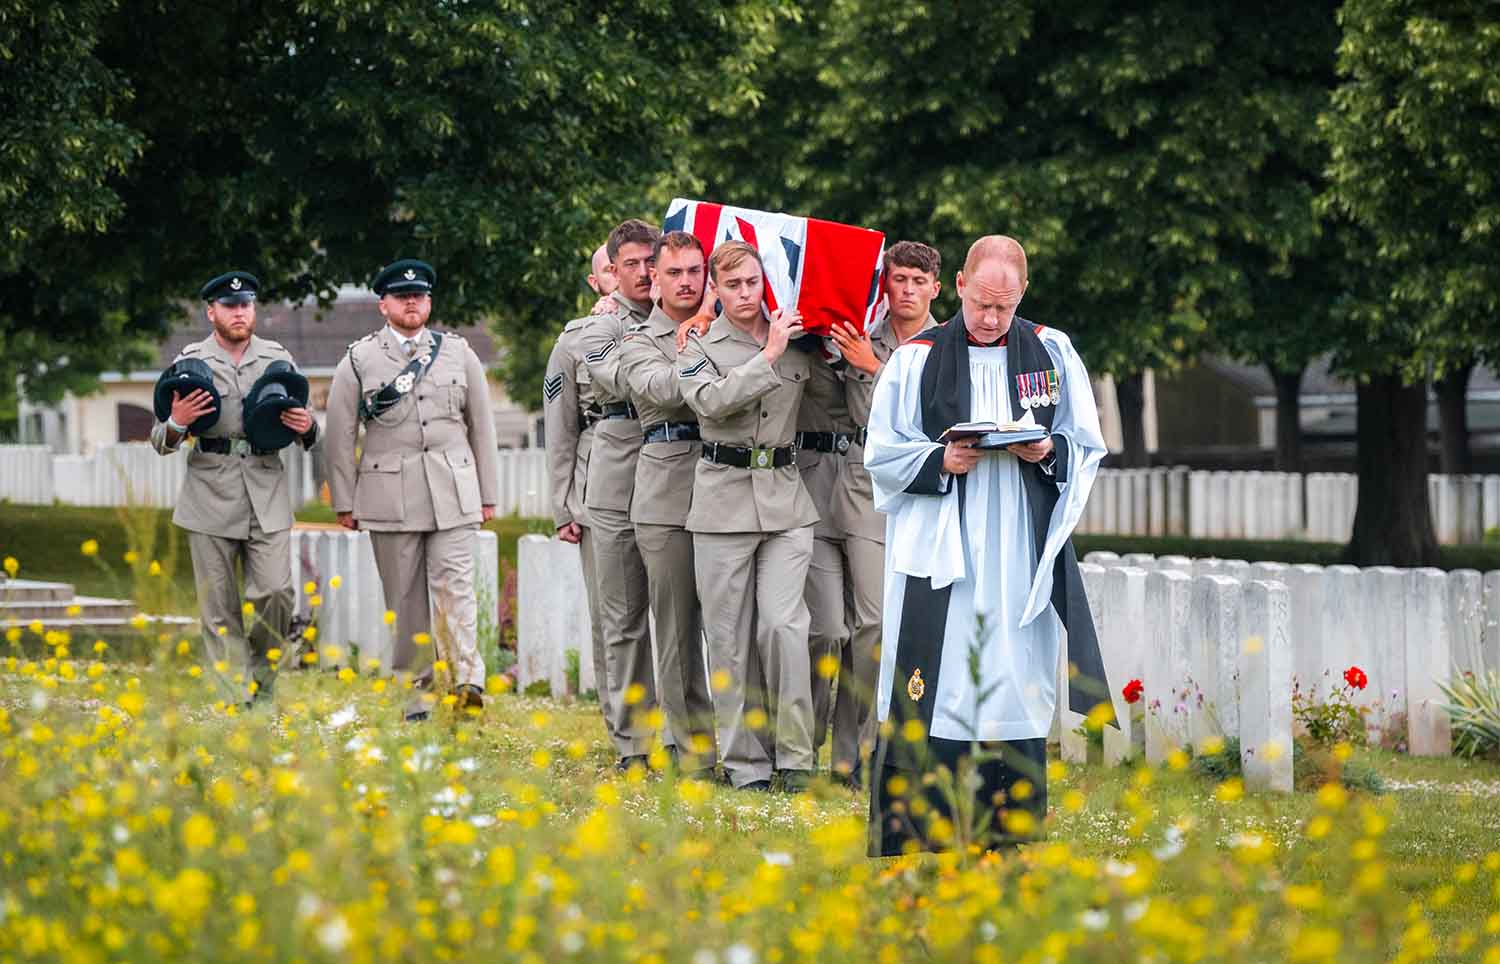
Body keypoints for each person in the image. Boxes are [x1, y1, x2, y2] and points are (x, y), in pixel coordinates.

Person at [863, 235, 1113, 856]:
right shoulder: (915, 360)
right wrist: (938, 458)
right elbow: (881, 455)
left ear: (1021, 295)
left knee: (1013, 674)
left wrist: (1046, 450)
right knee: (937, 679)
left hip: (1018, 547)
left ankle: (1007, 832)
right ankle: (923, 833)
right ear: (961, 288)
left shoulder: (1051, 353)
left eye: (1005, 307)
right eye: (982, 305)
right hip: (941, 543)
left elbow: (1085, 445)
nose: (992, 319)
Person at [324, 258, 500, 722]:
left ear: (429, 302)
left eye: (419, 296)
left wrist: (487, 494)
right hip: (389, 496)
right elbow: (339, 435)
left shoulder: (459, 353)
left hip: (453, 491)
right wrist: (344, 500)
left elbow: (481, 427)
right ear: (383, 305)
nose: (411, 303)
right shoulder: (359, 360)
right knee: (404, 601)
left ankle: (467, 684)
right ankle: (416, 693)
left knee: (457, 591)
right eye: (402, 297)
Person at [679, 240, 819, 792]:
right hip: (720, 505)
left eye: (752, 283)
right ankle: (744, 765)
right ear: (716, 289)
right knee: (728, 639)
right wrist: (767, 357)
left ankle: (797, 758)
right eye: (732, 285)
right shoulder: (697, 346)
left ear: (766, 284)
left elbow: (834, 406)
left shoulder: (797, 342)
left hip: (786, 501)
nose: (744, 294)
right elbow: (709, 402)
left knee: (786, 628)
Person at [150, 270, 319, 708]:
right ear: (211, 312)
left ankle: (263, 679)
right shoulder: (191, 360)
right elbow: (160, 440)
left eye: (246, 304)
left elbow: (308, 420)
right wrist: (177, 422)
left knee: (275, 592)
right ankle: (232, 694)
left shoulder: (278, 357)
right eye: (229, 306)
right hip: (210, 491)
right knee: (219, 607)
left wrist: (308, 425)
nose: (240, 312)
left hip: (266, 489)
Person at [821, 241, 944, 785]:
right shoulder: (858, 337)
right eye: (899, 280)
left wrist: (878, 368)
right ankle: (851, 756)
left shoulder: (953, 344)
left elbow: (934, 414)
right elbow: (851, 409)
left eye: (920, 281)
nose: (909, 290)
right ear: (884, 284)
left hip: (930, 492)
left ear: (936, 287)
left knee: (922, 629)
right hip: (866, 492)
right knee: (868, 625)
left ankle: (911, 750)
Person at [616, 230, 718, 776]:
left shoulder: (730, 330)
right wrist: (697, 339)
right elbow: (661, 389)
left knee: (733, 628)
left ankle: (752, 748)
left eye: (694, 272)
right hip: (667, 491)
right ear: (653, 278)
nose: (685, 282)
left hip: (729, 487)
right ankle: (694, 751)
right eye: (674, 272)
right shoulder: (635, 338)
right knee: (677, 630)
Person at [576, 219, 662, 769]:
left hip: (676, 469)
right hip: (615, 468)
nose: (641, 272)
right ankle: (634, 743)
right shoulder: (596, 327)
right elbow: (605, 388)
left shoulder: (693, 318)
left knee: (682, 619)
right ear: (611, 271)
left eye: (649, 261)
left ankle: (684, 735)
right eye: (627, 264)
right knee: (623, 616)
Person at [543, 244, 620, 748]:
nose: (623, 276)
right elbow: (560, 427)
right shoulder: (574, 342)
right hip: (598, 478)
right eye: (611, 269)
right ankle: (625, 729)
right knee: (613, 616)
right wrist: (563, 506)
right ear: (595, 283)